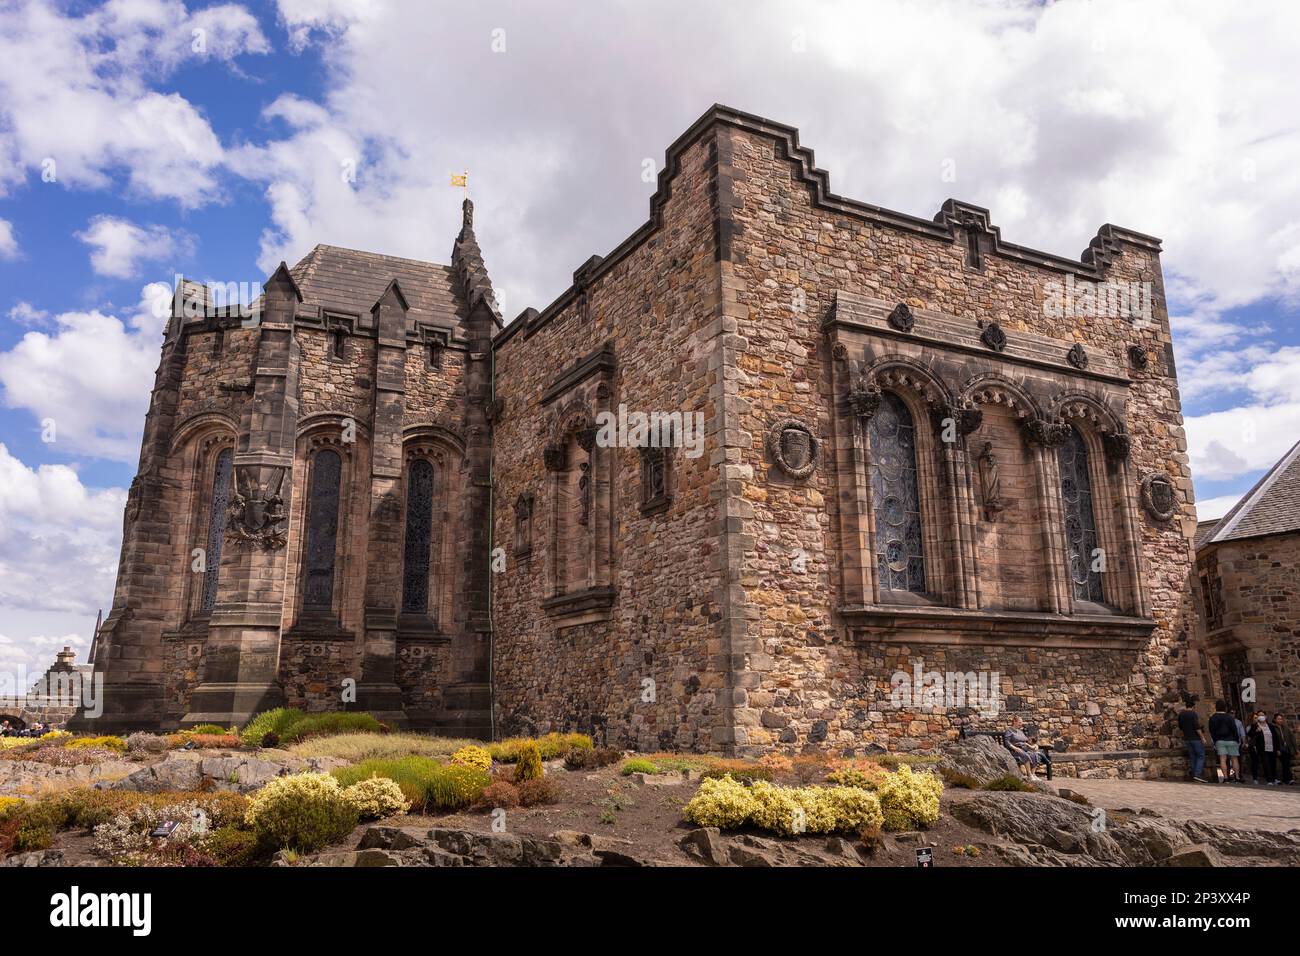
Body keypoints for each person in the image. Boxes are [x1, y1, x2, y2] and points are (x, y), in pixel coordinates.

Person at [1208, 700, 1241, 783]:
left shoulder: (1213, 718)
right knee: (1234, 759)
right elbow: (1234, 729)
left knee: (1222, 759)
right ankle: (1237, 777)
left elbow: (1212, 731)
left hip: (1220, 740)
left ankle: (1226, 778)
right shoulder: (1229, 717)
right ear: (1225, 707)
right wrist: (1236, 739)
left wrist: (1215, 740)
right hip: (1231, 739)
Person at [1177, 695, 1209, 782]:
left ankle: (1194, 775)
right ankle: (1197, 774)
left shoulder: (1181, 715)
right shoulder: (1193, 714)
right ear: (1193, 706)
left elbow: (1180, 727)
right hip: (1195, 738)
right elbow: (1197, 727)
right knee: (1201, 755)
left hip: (1187, 738)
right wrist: (1202, 737)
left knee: (1192, 757)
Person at [1003, 716, 1046, 780]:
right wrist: (1015, 748)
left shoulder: (1020, 731)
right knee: (1025, 755)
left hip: (1025, 748)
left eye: (1021, 722)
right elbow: (1007, 742)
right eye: (1019, 722)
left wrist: (1035, 745)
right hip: (1015, 750)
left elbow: (1027, 741)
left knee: (1034, 754)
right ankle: (1029, 775)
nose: (1021, 724)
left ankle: (1033, 774)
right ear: (1014, 722)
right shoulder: (1009, 731)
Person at [1247, 711, 1280, 784]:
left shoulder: (1271, 726)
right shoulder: (1255, 726)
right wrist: (1256, 731)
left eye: (1262, 715)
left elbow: (1275, 738)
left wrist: (1277, 748)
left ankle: (1274, 778)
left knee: (1273, 763)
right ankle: (1269, 780)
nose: (1261, 716)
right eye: (1259, 715)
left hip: (1272, 747)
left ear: (1265, 716)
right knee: (1266, 763)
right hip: (1262, 748)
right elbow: (1250, 734)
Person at [1273, 713, 1295, 785]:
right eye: (1278, 719)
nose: (1280, 720)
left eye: (1281, 719)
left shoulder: (1285, 728)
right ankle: (1288, 779)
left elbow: (1291, 738)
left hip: (1287, 748)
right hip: (1279, 748)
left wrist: (1295, 748)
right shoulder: (1273, 728)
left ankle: (1287, 779)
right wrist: (1277, 749)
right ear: (1275, 720)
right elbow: (1274, 740)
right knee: (1285, 763)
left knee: (1286, 764)